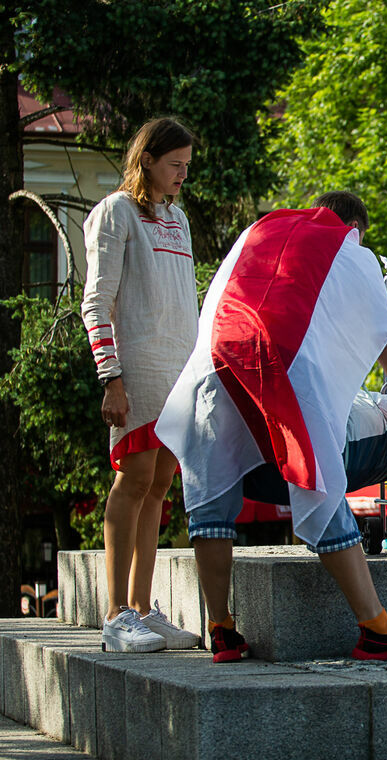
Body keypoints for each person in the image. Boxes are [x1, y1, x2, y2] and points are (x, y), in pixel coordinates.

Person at [156, 191, 387, 663]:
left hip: (213, 368)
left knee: (212, 500)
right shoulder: (351, 253)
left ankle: (222, 629)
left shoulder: (262, 229)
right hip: (282, 370)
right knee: (322, 484)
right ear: (354, 227)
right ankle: (377, 627)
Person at [81, 117, 202, 654]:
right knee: (132, 482)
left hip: (180, 373)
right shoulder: (116, 212)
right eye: (174, 165)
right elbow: (97, 301)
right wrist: (112, 377)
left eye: (186, 166)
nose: (181, 175)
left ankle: (142, 607)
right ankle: (114, 616)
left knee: (158, 486)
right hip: (137, 369)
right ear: (147, 159)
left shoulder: (179, 219)